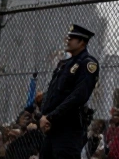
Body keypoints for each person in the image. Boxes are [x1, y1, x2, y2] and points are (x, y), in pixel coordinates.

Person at [38, 25, 100, 159]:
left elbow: (78, 96)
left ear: (82, 42)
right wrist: (44, 114)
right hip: (53, 127)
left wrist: (51, 117)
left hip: (68, 128)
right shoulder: (64, 64)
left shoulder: (87, 63)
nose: (68, 40)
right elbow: (53, 93)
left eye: (72, 38)